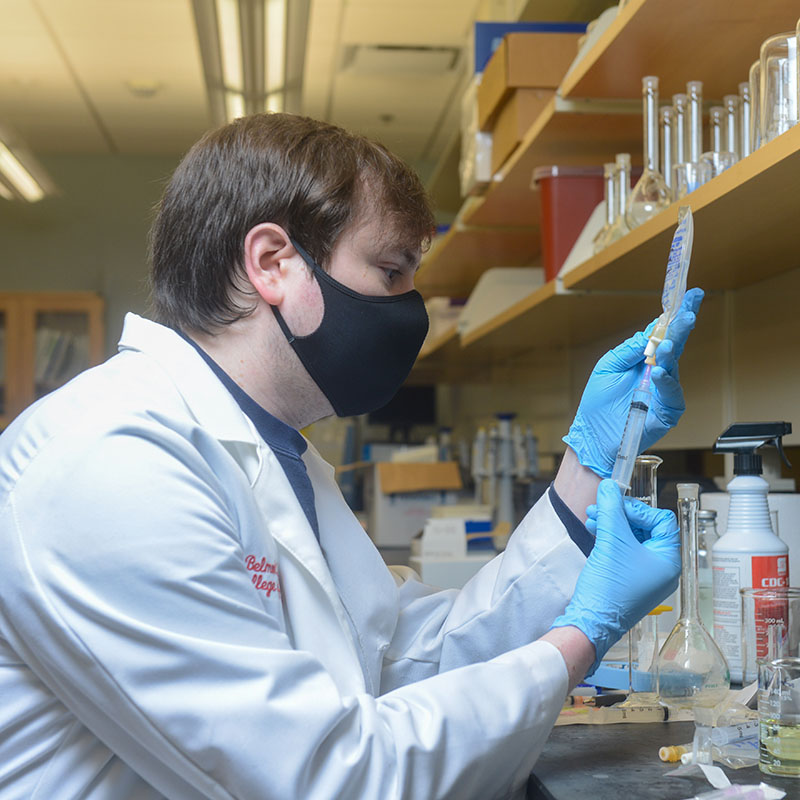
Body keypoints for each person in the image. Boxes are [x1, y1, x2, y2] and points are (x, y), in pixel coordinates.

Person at [0, 113, 703, 799]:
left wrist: (587, 471)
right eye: (391, 271)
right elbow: (326, 780)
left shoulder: (279, 455)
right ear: (274, 264)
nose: (409, 308)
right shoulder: (111, 463)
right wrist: (581, 639)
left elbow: (400, 658)